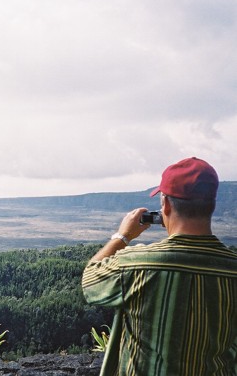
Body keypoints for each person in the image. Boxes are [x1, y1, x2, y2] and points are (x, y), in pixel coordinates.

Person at [82, 157, 237, 376]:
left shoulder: (136, 264)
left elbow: (90, 283)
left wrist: (122, 237)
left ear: (164, 204)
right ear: (211, 205)